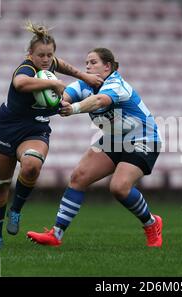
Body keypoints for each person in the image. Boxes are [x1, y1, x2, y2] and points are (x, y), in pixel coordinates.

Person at [26, 48, 163, 247]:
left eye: (93, 62)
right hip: (114, 138)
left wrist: (72, 109)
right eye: (86, 63)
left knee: (119, 187)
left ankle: (152, 223)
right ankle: (56, 235)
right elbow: (65, 96)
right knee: (78, 177)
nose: (87, 67)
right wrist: (55, 98)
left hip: (143, 138)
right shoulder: (85, 85)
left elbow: (99, 100)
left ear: (107, 66)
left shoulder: (116, 84)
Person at [0, 21, 104, 248]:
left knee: (31, 166)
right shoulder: (26, 69)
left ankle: (16, 211)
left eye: (49, 55)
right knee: (0, 186)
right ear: (30, 54)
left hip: (35, 128)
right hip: (6, 128)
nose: (46, 59)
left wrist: (85, 77)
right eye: (41, 55)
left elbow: (63, 66)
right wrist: (57, 85)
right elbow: (19, 83)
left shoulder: (50, 64)